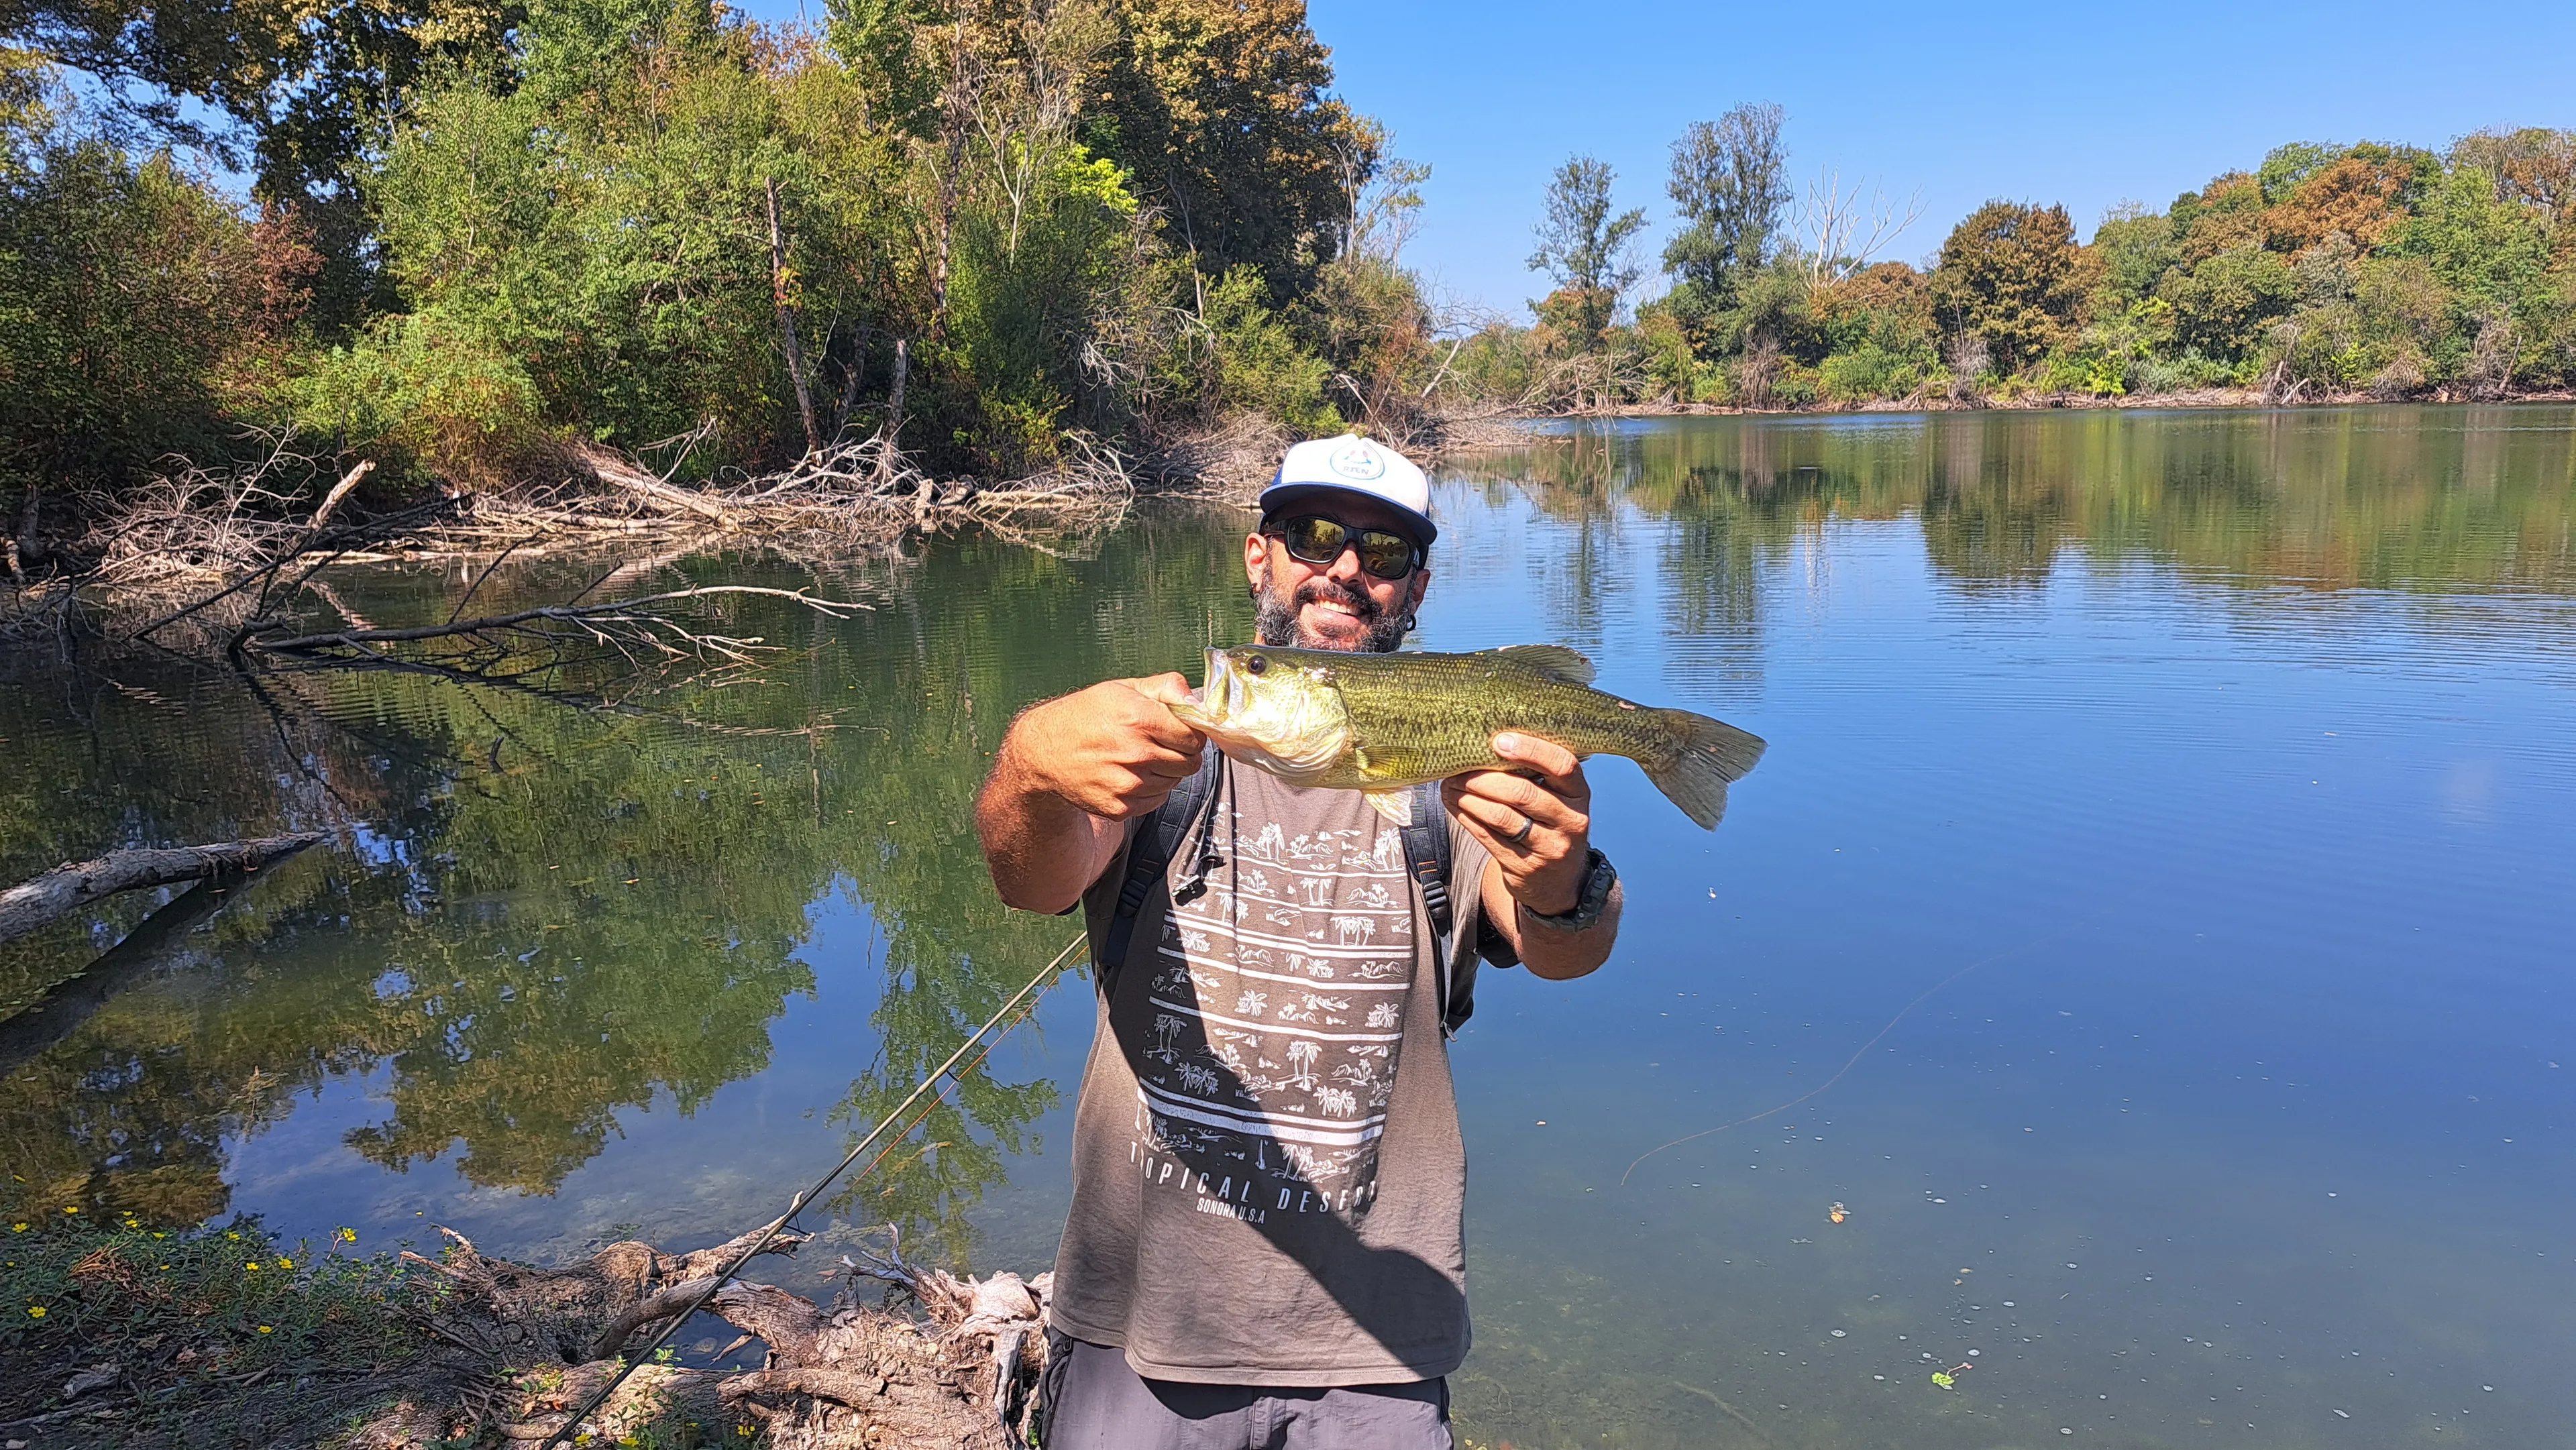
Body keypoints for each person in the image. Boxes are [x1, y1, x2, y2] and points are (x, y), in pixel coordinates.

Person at [975, 433, 1623, 1449]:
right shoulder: (1160, 755)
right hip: (1141, 1332)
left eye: (1386, 552)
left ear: (1416, 589)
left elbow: (1565, 946)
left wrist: (1560, 875)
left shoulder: (1443, 775)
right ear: (1259, 554)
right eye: (1316, 535)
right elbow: (1027, 878)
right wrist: (1030, 765)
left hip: (1379, 1355)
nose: (1347, 570)